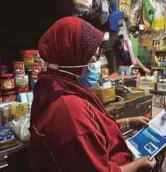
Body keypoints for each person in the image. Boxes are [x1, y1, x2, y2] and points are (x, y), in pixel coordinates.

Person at [29, 17, 157, 172]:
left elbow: (94, 128)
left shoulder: (55, 85)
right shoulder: (70, 110)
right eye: (94, 56)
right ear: (72, 58)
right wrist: (138, 164)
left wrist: (128, 121)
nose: (98, 62)